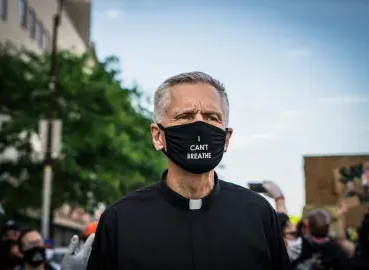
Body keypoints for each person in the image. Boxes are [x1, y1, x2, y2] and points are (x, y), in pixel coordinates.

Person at [80, 71, 290, 270]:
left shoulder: (258, 215)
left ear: (226, 138)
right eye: (185, 116)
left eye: (211, 117)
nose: (199, 125)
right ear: (158, 136)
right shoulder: (120, 221)